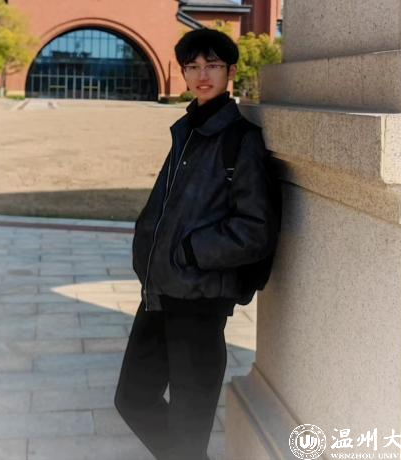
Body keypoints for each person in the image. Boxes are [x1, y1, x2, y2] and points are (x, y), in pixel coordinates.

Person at [114, 28, 280, 460]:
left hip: (200, 303)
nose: (202, 75)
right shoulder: (187, 130)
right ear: (184, 73)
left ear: (231, 71)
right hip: (159, 293)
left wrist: (190, 252)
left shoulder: (240, 140)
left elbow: (256, 230)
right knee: (132, 399)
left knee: (189, 426)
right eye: (193, 66)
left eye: (213, 66)